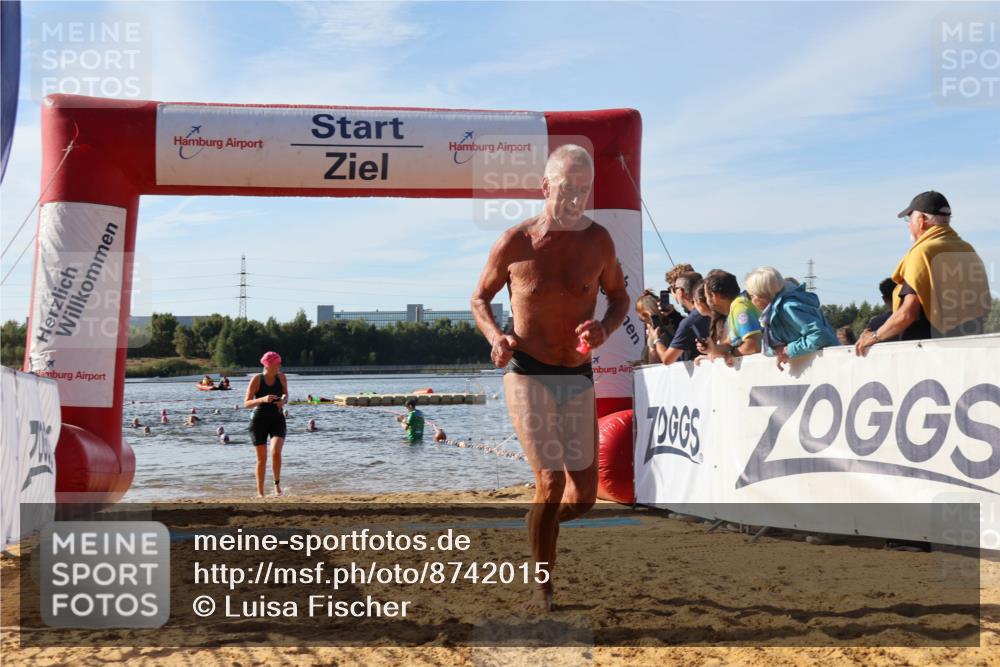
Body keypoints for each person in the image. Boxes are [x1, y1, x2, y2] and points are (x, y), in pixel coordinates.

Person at [470, 144, 630, 612]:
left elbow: (619, 297)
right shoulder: (515, 241)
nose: (576, 198)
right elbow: (479, 298)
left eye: (584, 189)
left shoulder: (599, 240)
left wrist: (604, 326)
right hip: (528, 372)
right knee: (550, 480)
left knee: (583, 497)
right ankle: (542, 586)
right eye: (567, 188)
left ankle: (539, 526)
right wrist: (496, 336)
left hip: (576, 372)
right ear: (545, 187)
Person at [857, 192, 991, 357]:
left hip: (926, 355)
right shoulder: (968, 250)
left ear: (921, 220)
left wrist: (875, 336)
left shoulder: (923, 252)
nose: (908, 225)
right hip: (969, 349)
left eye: (909, 219)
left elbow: (908, 314)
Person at [744, 266, 839, 370]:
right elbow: (767, 348)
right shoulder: (772, 313)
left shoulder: (788, 308)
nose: (751, 301)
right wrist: (778, 349)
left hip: (828, 366)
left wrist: (788, 350)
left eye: (751, 296)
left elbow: (820, 336)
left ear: (762, 294)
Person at [244, 351, 288, 497]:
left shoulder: (281, 377)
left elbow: (286, 395)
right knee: (261, 459)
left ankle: (276, 486)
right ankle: (260, 493)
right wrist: (262, 399)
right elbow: (246, 403)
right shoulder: (257, 379)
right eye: (277, 363)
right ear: (269, 365)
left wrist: (283, 401)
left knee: (275, 452)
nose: (280, 365)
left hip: (277, 419)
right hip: (259, 421)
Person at [698, 269, 762, 364]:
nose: (707, 301)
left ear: (715, 295)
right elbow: (729, 344)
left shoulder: (740, 308)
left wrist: (732, 354)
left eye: (707, 296)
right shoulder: (734, 307)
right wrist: (712, 349)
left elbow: (753, 346)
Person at [653, 271, 710, 364]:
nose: (673, 294)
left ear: (681, 291)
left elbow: (667, 359)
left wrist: (656, 339)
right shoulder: (716, 312)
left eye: (673, 289)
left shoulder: (689, 322)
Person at [635, 290, 682, 364]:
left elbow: (655, 361)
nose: (645, 323)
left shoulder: (662, 333)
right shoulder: (675, 326)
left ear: (646, 314)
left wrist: (655, 340)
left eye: (642, 318)